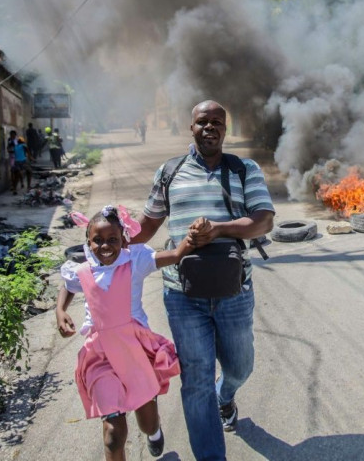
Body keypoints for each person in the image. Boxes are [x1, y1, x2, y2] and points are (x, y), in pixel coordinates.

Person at [130, 100, 275, 461]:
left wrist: (219, 230)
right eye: (202, 122)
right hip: (183, 296)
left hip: (234, 291)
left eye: (217, 123)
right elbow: (147, 226)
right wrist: (108, 247)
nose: (210, 127)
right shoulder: (170, 171)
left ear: (225, 130)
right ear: (191, 128)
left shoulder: (245, 169)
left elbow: (264, 220)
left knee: (241, 366)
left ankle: (226, 396)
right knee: (196, 383)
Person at [55, 204, 191, 461]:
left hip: (134, 351)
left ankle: (154, 431)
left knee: (147, 422)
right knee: (113, 436)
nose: (105, 246)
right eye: (98, 240)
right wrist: (60, 311)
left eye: (112, 240)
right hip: (100, 357)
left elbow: (173, 256)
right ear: (88, 241)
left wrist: (191, 241)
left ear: (124, 239)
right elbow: (68, 286)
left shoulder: (135, 261)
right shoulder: (82, 269)